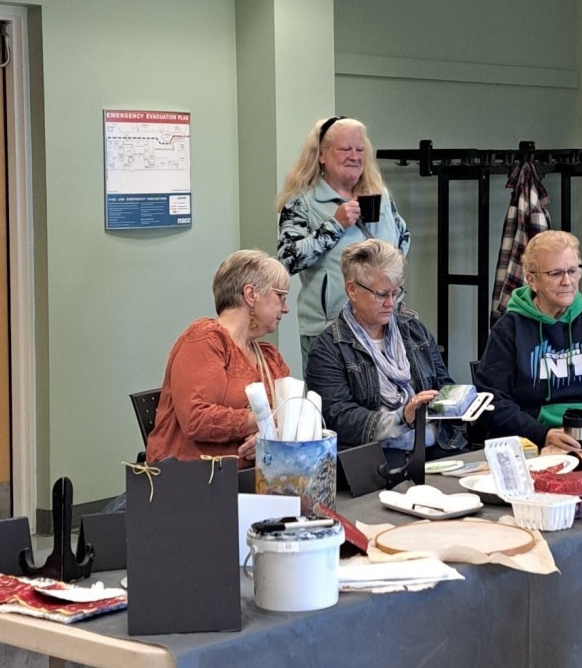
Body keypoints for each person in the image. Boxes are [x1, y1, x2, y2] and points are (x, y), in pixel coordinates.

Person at [475, 230, 582, 465]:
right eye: (555, 274)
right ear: (532, 280)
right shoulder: (510, 329)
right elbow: (492, 401)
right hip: (534, 439)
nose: (567, 281)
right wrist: (543, 434)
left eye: (572, 271)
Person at [305, 239, 466, 468]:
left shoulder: (415, 331)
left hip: (439, 447)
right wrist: (403, 417)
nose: (391, 303)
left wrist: (463, 402)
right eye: (381, 294)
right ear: (352, 290)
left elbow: (443, 385)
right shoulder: (328, 348)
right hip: (378, 463)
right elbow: (338, 417)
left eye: (395, 292)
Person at [276, 116, 410, 368]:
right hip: (328, 329)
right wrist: (335, 225)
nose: (354, 156)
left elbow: (403, 238)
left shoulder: (380, 197)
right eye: (345, 149)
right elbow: (287, 259)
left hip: (385, 325)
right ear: (321, 155)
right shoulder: (302, 202)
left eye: (360, 149)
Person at [146, 250, 291, 467]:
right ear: (251, 295)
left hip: (250, 479)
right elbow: (196, 418)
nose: (286, 308)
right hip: (195, 479)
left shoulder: (270, 356)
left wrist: (270, 437)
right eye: (281, 297)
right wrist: (263, 422)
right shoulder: (205, 339)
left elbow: (291, 417)